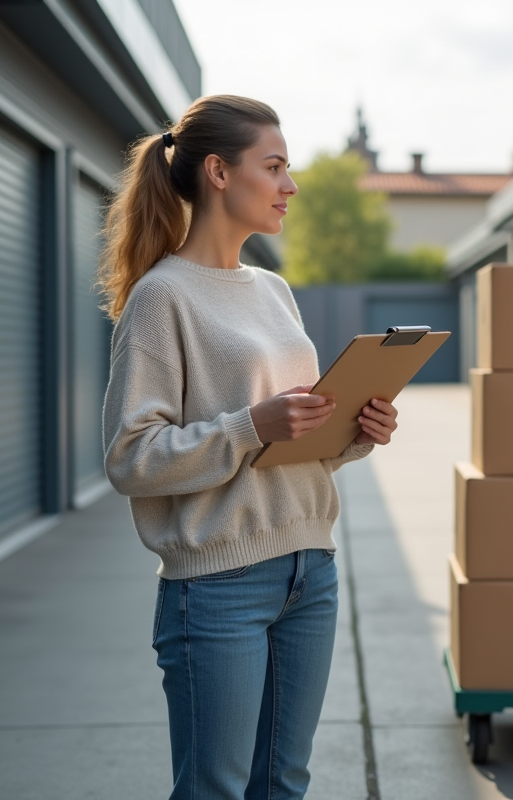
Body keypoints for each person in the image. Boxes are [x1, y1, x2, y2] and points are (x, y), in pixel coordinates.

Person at [99, 95, 398, 800]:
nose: (290, 185)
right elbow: (130, 458)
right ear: (218, 172)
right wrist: (249, 426)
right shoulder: (160, 298)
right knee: (216, 789)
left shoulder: (273, 290)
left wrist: (355, 433)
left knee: (283, 783)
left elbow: (295, 439)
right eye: (274, 166)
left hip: (311, 569)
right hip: (218, 584)